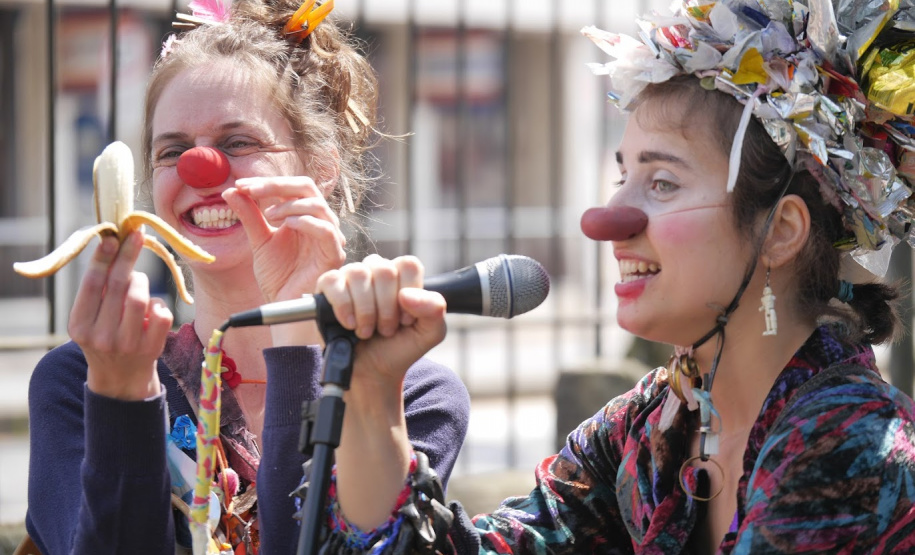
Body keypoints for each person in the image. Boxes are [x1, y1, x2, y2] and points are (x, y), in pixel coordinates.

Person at [309, 0, 915, 553]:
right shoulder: (652, 425)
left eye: (663, 184)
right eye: (621, 176)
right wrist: (374, 392)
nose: (608, 222)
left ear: (780, 230)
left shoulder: (850, 442)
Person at [23, 0, 470, 553]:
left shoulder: (404, 392)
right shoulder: (80, 380)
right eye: (173, 150)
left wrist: (298, 338)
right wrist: (121, 398)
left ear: (322, 167)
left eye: (239, 142)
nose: (200, 170)